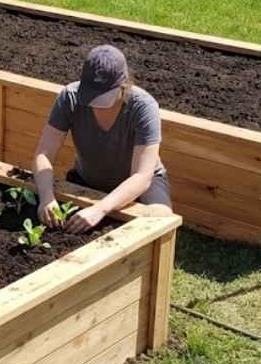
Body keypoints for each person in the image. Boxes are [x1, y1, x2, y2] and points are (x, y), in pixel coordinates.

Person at [33, 45, 172, 233]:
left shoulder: (143, 107)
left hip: (140, 186)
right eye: (90, 96)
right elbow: (44, 153)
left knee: (160, 221)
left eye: (103, 98)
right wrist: (46, 198)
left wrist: (100, 208)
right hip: (88, 177)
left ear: (123, 86)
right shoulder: (70, 98)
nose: (95, 105)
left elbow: (142, 176)